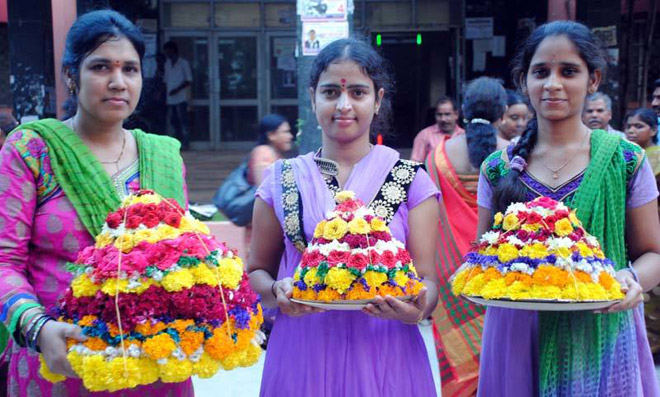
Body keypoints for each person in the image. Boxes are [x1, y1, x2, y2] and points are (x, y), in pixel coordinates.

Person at [0, 10, 191, 396]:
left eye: (130, 70)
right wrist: (37, 326)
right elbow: (4, 260)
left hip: (153, 364)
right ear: (71, 74)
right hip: (59, 359)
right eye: (101, 67)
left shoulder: (164, 156)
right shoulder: (32, 149)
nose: (118, 82)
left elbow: (185, 259)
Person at [248, 38, 441, 396]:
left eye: (357, 92)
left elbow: (428, 279)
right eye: (330, 93)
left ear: (378, 99)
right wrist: (277, 290)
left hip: (387, 352)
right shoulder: (282, 178)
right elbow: (257, 270)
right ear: (312, 97)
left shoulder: (410, 178)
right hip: (303, 352)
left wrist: (412, 312)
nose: (344, 105)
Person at [477, 21, 660, 396]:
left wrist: (631, 279)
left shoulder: (625, 160)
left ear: (593, 80)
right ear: (523, 80)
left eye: (569, 71)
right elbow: (484, 258)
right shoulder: (497, 168)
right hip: (516, 334)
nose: (553, 84)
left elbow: (653, 254)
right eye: (541, 72)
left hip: (600, 334)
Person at [426, 77, 510, 397]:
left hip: (452, 271)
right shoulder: (513, 154)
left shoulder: (438, 155)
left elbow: (430, 212)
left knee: (458, 363)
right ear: (502, 114)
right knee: (501, 358)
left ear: (462, 112)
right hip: (501, 271)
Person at [411, 96, 464, 162]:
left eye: (447, 114)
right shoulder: (424, 135)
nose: (443, 119)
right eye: (439, 115)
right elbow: (415, 163)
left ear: (456, 115)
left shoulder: (464, 135)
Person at [163, 40, 192, 150]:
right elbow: (165, 81)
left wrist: (177, 90)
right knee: (173, 123)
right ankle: (177, 145)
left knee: (183, 122)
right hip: (170, 99)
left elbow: (189, 80)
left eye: (168, 51)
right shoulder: (167, 64)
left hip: (181, 98)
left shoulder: (183, 63)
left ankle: (186, 144)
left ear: (173, 50)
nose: (167, 54)